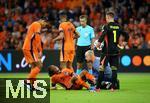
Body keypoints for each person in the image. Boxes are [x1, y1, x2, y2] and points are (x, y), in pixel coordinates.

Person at [95, 11, 129, 92]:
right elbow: (126, 35)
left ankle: (97, 88)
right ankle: (113, 88)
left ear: (108, 17)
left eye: (106, 18)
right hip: (115, 51)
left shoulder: (106, 26)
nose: (106, 19)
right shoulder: (118, 26)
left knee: (101, 69)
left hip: (106, 52)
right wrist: (125, 42)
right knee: (114, 70)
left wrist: (98, 43)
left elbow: (103, 35)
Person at [22, 18, 49, 90]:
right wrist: (40, 50)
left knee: (34, 67)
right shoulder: (37, 24)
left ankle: (32, 86)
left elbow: (34, 35)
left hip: (27, 47)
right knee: (39, 65)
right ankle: (27, 81)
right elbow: (37, 37)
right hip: (30, 48)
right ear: (41, 20)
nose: (44, 25)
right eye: (44, 23)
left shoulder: (34, 25)